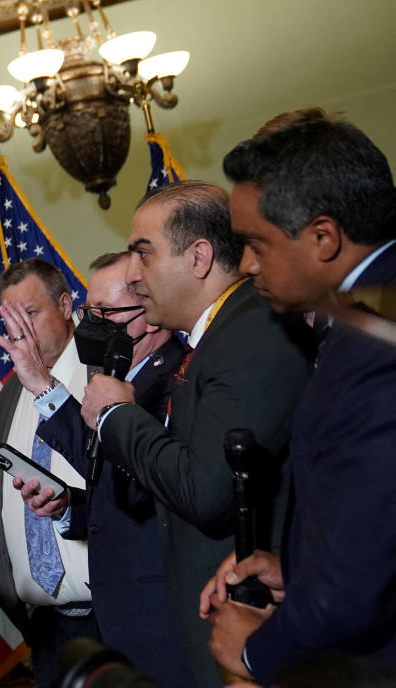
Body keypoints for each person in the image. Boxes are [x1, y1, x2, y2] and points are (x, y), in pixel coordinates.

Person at [79, 181, 314, 688]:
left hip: (255, 630)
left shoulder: (252, 332)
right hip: (214, 618)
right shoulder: (215, 338)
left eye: (144, 254)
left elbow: (207, 491)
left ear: (200, 257)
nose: (134, 275)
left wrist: (117, 416)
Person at [198, 110, 396, 683]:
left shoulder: (373, 350)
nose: (247, 265)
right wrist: (302, 571)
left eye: (256, 243)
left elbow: (349, 602)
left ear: (323, 237)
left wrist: (256, 652)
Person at [16, 252, 197, 687]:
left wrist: (44, 388)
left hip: (161, 610)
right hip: (120, 611)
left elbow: (146, 485)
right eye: (89, 311)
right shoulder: (119, 377)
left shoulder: (176, 378)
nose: (91, 324)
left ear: (148, 315)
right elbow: (115, 486)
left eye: (105, 312)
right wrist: (69, 506)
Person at [0, 257, 96, 688]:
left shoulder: (101, 371)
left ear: (65, 306)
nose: (21, 332)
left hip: (112, 614)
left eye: (30, 313)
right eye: (11, 320)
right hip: (45, 626)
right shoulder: (10, 393)